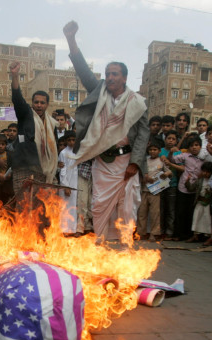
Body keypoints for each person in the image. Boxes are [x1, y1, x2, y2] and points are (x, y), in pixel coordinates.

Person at [63, 20, 150, 241]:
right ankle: (101, 247)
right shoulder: (99, 92)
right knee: (99, 206)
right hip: (103, 162)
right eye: (107, 73)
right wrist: (71, 39)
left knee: (127, 208)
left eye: (115, 74)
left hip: (127, 162)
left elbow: (142, 135)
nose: (110, 78)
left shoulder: (137, 102)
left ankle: (125, 250)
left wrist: (135, 163)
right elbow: (84, 72)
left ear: (124, 78)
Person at [9, 61, 58, 187]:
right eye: (36, 102)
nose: (39, 105)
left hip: (44, 169)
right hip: (24, 167)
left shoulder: (52, 124)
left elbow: (54, 147)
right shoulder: (26, 115)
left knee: (42, 205)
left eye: (42, 103)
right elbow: (17, 98)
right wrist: (15, 76)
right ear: (32, 103)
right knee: (23, 204)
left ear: (47, 105)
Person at [164, 135, 207, 240]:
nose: (194, 148)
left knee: (190, 213)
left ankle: (189, 234)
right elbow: (172, 160)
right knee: (180, 212)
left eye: (197, 145)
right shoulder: (185, 156)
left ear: (200, 147)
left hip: (195, 189)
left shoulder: (204, 158)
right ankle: (178, 234)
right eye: (192, 145)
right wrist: (171, 152)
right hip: (183, 187)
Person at [137, 138, 169, 241]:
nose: (152, 151)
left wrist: (164, 175)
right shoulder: (145, 160)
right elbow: (139, 173)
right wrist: (145, 178)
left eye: (155, 150)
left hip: (156, 190)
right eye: (151, 150)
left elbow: (169, 172)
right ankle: (141, 233)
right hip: (144, 189)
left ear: (159, 151)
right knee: (142, 212)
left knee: (155, 213)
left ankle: (154, 233)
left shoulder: (162, 161)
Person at [189, 161, 212, 242]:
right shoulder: (200, 180)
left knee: (207, 219)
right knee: (196, 218)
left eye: (207, 172)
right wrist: (187, 181)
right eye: (204, 171)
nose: (205, 173)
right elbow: (191, 187)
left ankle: (208, 236)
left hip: (208, 203)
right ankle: (195, 235)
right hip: (199, 202)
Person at [160, 130, 181, 239]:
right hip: (160, 184)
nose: (171, 141)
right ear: (165, 139)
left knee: (171, 209)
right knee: (161, 209)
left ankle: (169, 232)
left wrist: (171, 162)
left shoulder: (179, 153)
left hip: (172, 184)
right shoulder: (160, 151)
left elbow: (182, 168)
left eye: (173, 139)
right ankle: (160, 231)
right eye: (169, 138)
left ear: (176, 141)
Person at [58, 131, 79, 234]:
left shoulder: (77, 151)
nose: (71, 142)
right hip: (66, 183)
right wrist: (66, 186)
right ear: (66, 141)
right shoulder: (63, 153)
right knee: (65, 206)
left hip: (75, 183)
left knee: (73, 206)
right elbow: (62, 171)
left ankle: (72, 229)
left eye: (73, 140)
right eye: (69, 140)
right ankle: (64, 229)